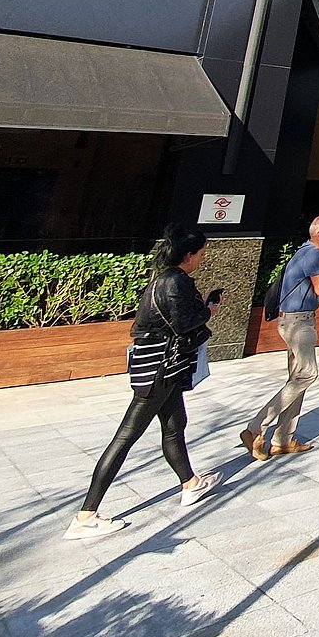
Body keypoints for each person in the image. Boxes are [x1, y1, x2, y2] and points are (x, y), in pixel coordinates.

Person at [67, 224, 220, 539]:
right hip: (159, 369)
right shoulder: (175, 281)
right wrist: (208, 311)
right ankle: (86, 515)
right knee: (125, 437)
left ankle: (190, 483)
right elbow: (184, 323)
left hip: (163, 368)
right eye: (201, 253)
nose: (202, 259)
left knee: (175, 425)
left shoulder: (161, 278)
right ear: (189, 255)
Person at [240, 215, 319, 462]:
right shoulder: (312, 254)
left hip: (297, 320)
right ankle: (256, 427)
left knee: (297, 378)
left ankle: (283, 440)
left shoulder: (318, 252)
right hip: (298, 322)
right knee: (307, 374)